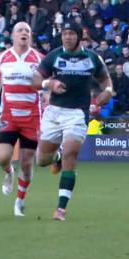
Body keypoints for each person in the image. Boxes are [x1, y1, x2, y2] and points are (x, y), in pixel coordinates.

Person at [32, 22, 113, 221]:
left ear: (79, 36)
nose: (67, 37)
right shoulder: (54, 56)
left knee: (71, 155)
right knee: (42, 161)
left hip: (77, 114)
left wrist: (108, 92)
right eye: (64, 33)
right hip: (54, 113)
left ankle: (61, 209)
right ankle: (56, 157)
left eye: (71, 34)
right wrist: (48, 83)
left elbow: (106, 81)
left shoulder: (92, 58)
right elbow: (35, 81)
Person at [0, 22, 43, 216]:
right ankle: (8, 172)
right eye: (20, 30)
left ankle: (19, 202)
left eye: (27, 31)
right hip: (8, 117)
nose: (24, 33)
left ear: (31, 37)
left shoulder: (40, 59)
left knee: (26, 163)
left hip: (32, 118)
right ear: (13, 36)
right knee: (1, 158)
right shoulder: (1, 58)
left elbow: (47, 88)